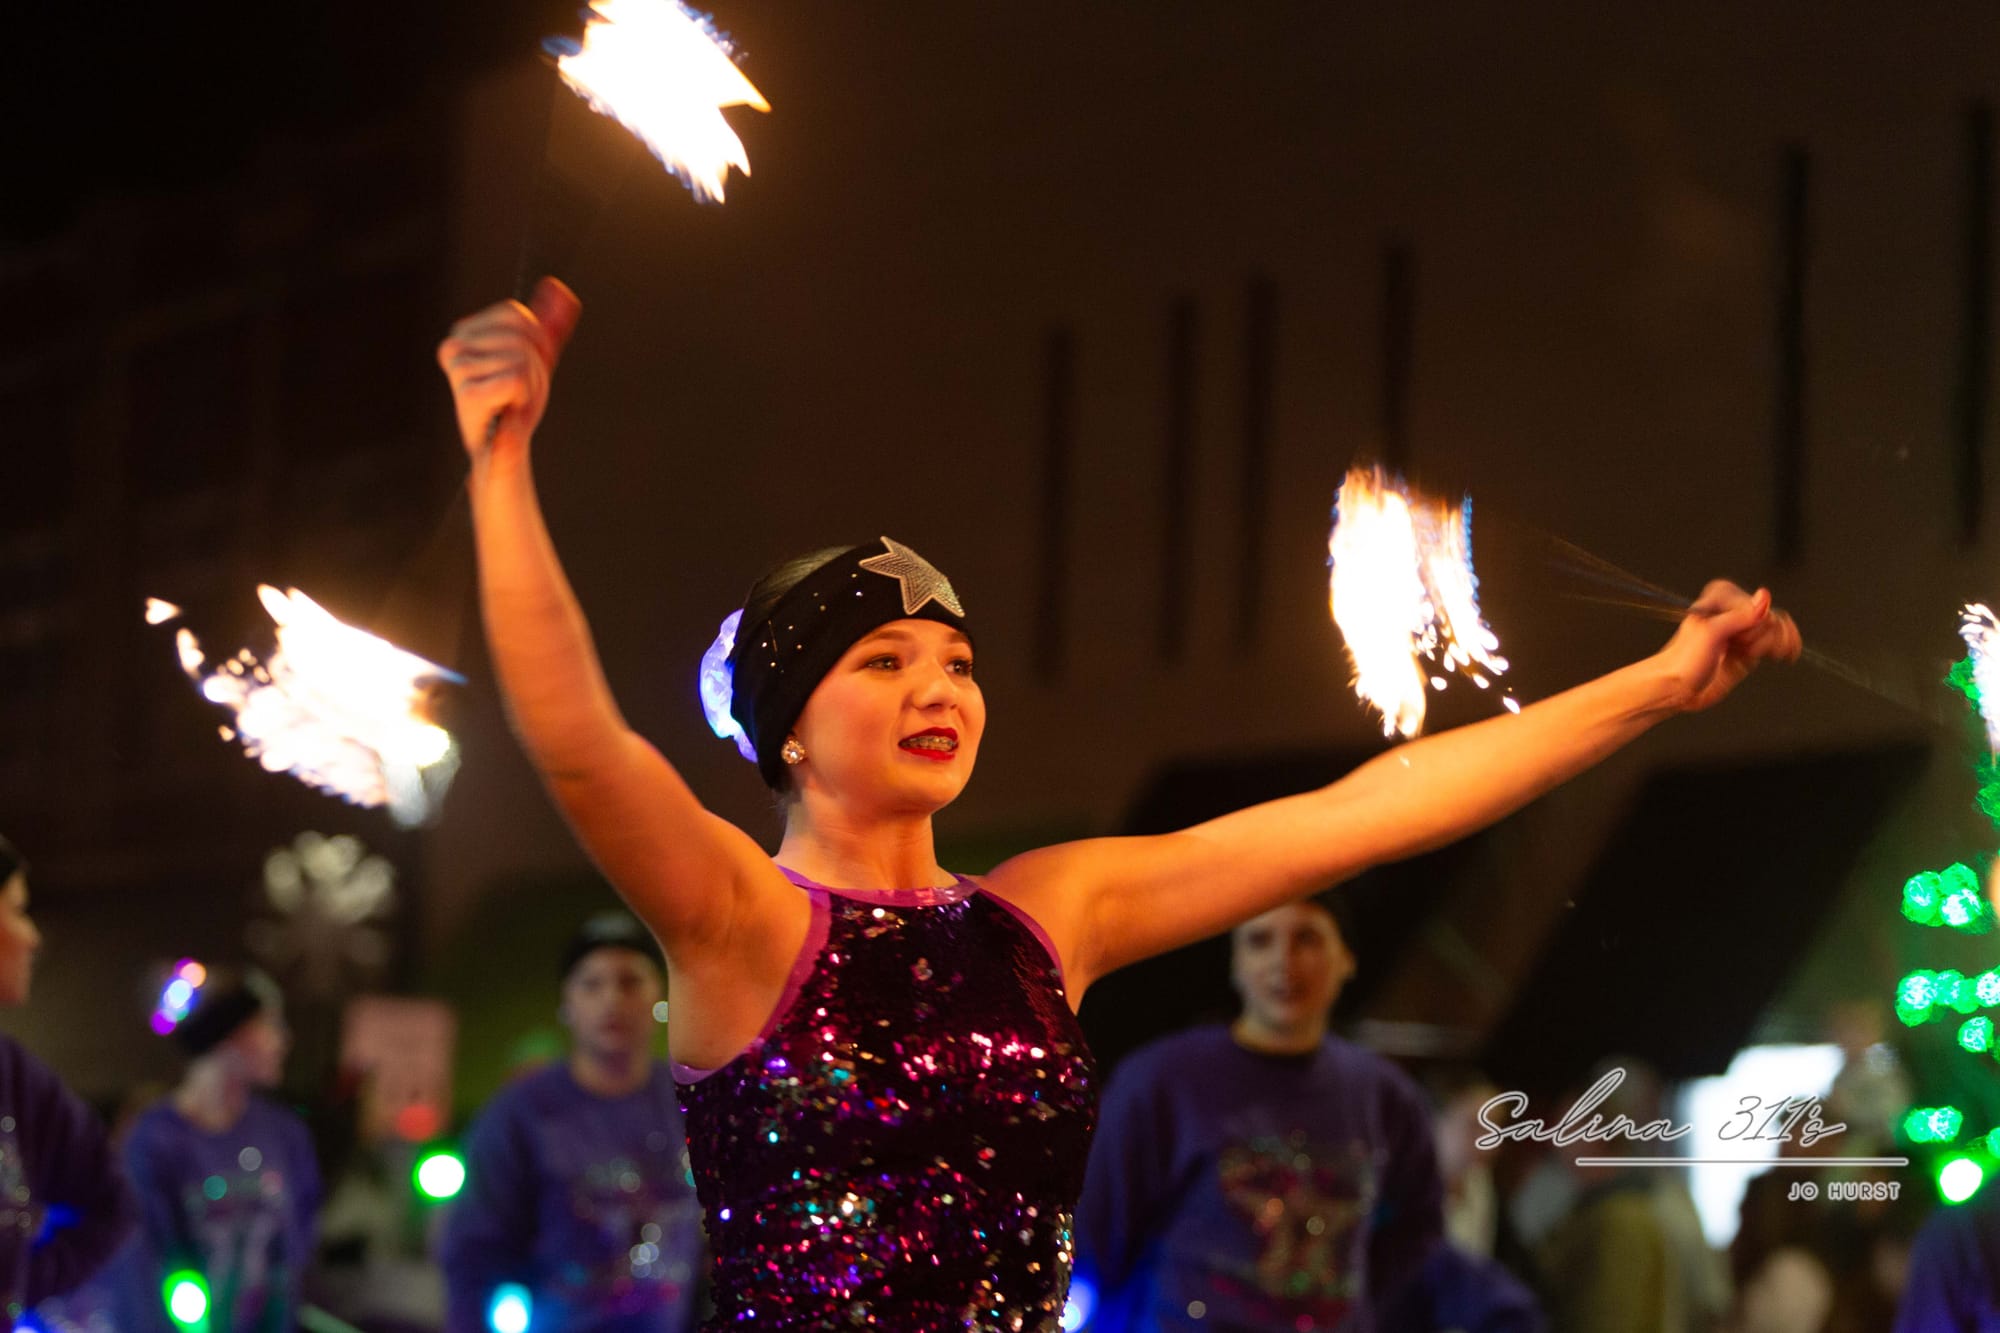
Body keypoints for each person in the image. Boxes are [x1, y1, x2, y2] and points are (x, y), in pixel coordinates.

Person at [435, 277, 1803, 1327]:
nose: (939, 687)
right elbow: (577, 740)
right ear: (789, 726)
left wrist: (1658, 685)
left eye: (958, 661)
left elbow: (1371, 811)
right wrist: (500, 465)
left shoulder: (1045, 913)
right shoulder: (740, 919)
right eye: (884, 660)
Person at [1073, 895, 1445, 1330]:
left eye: (1306, 939)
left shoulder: (1385, 1097)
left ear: (1346, 959)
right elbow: (1099, 1228)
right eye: (1260, 940)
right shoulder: (1162, 1080)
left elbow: (1418, 1226)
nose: (1283, 961)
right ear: (1235, 963)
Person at [440, 911, 702, 1332]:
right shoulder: (520, 1114)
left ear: (659, 996)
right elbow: (473, 1254)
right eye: (591, 984)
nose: (612, 999)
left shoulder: (691, 1104)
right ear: (567, 1004)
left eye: (630, 981)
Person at [89, 965, 321, 1333]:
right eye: (270, 1025)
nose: (283, 1040)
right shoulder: (154, 1141)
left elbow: (298, 1247)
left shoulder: (284, 1134)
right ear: (230, 1035)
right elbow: (140, 1272)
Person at [0, 836, 133, 1324]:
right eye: (17, 910)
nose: (33, 938)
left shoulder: (15, 1077)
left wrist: (17, 1286)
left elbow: (111, 1203)